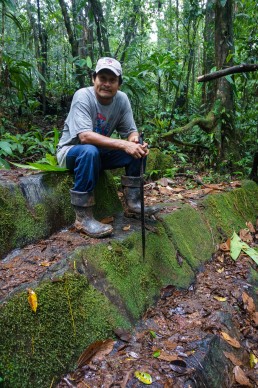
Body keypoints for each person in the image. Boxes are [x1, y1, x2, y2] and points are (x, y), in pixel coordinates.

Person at [57, 57, 158, 238]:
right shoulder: (83, 96)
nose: (106, 84)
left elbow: (131, 130)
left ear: (119, 83)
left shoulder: (122, 100)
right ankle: (83, 217)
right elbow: (85, 137)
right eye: (102, 78)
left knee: (137, 150)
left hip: (97, 154)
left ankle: (133, 204)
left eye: (112, 80)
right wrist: (123, 143)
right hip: (72, 151)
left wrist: (135, 142)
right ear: (94, 78)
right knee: (89, 150)